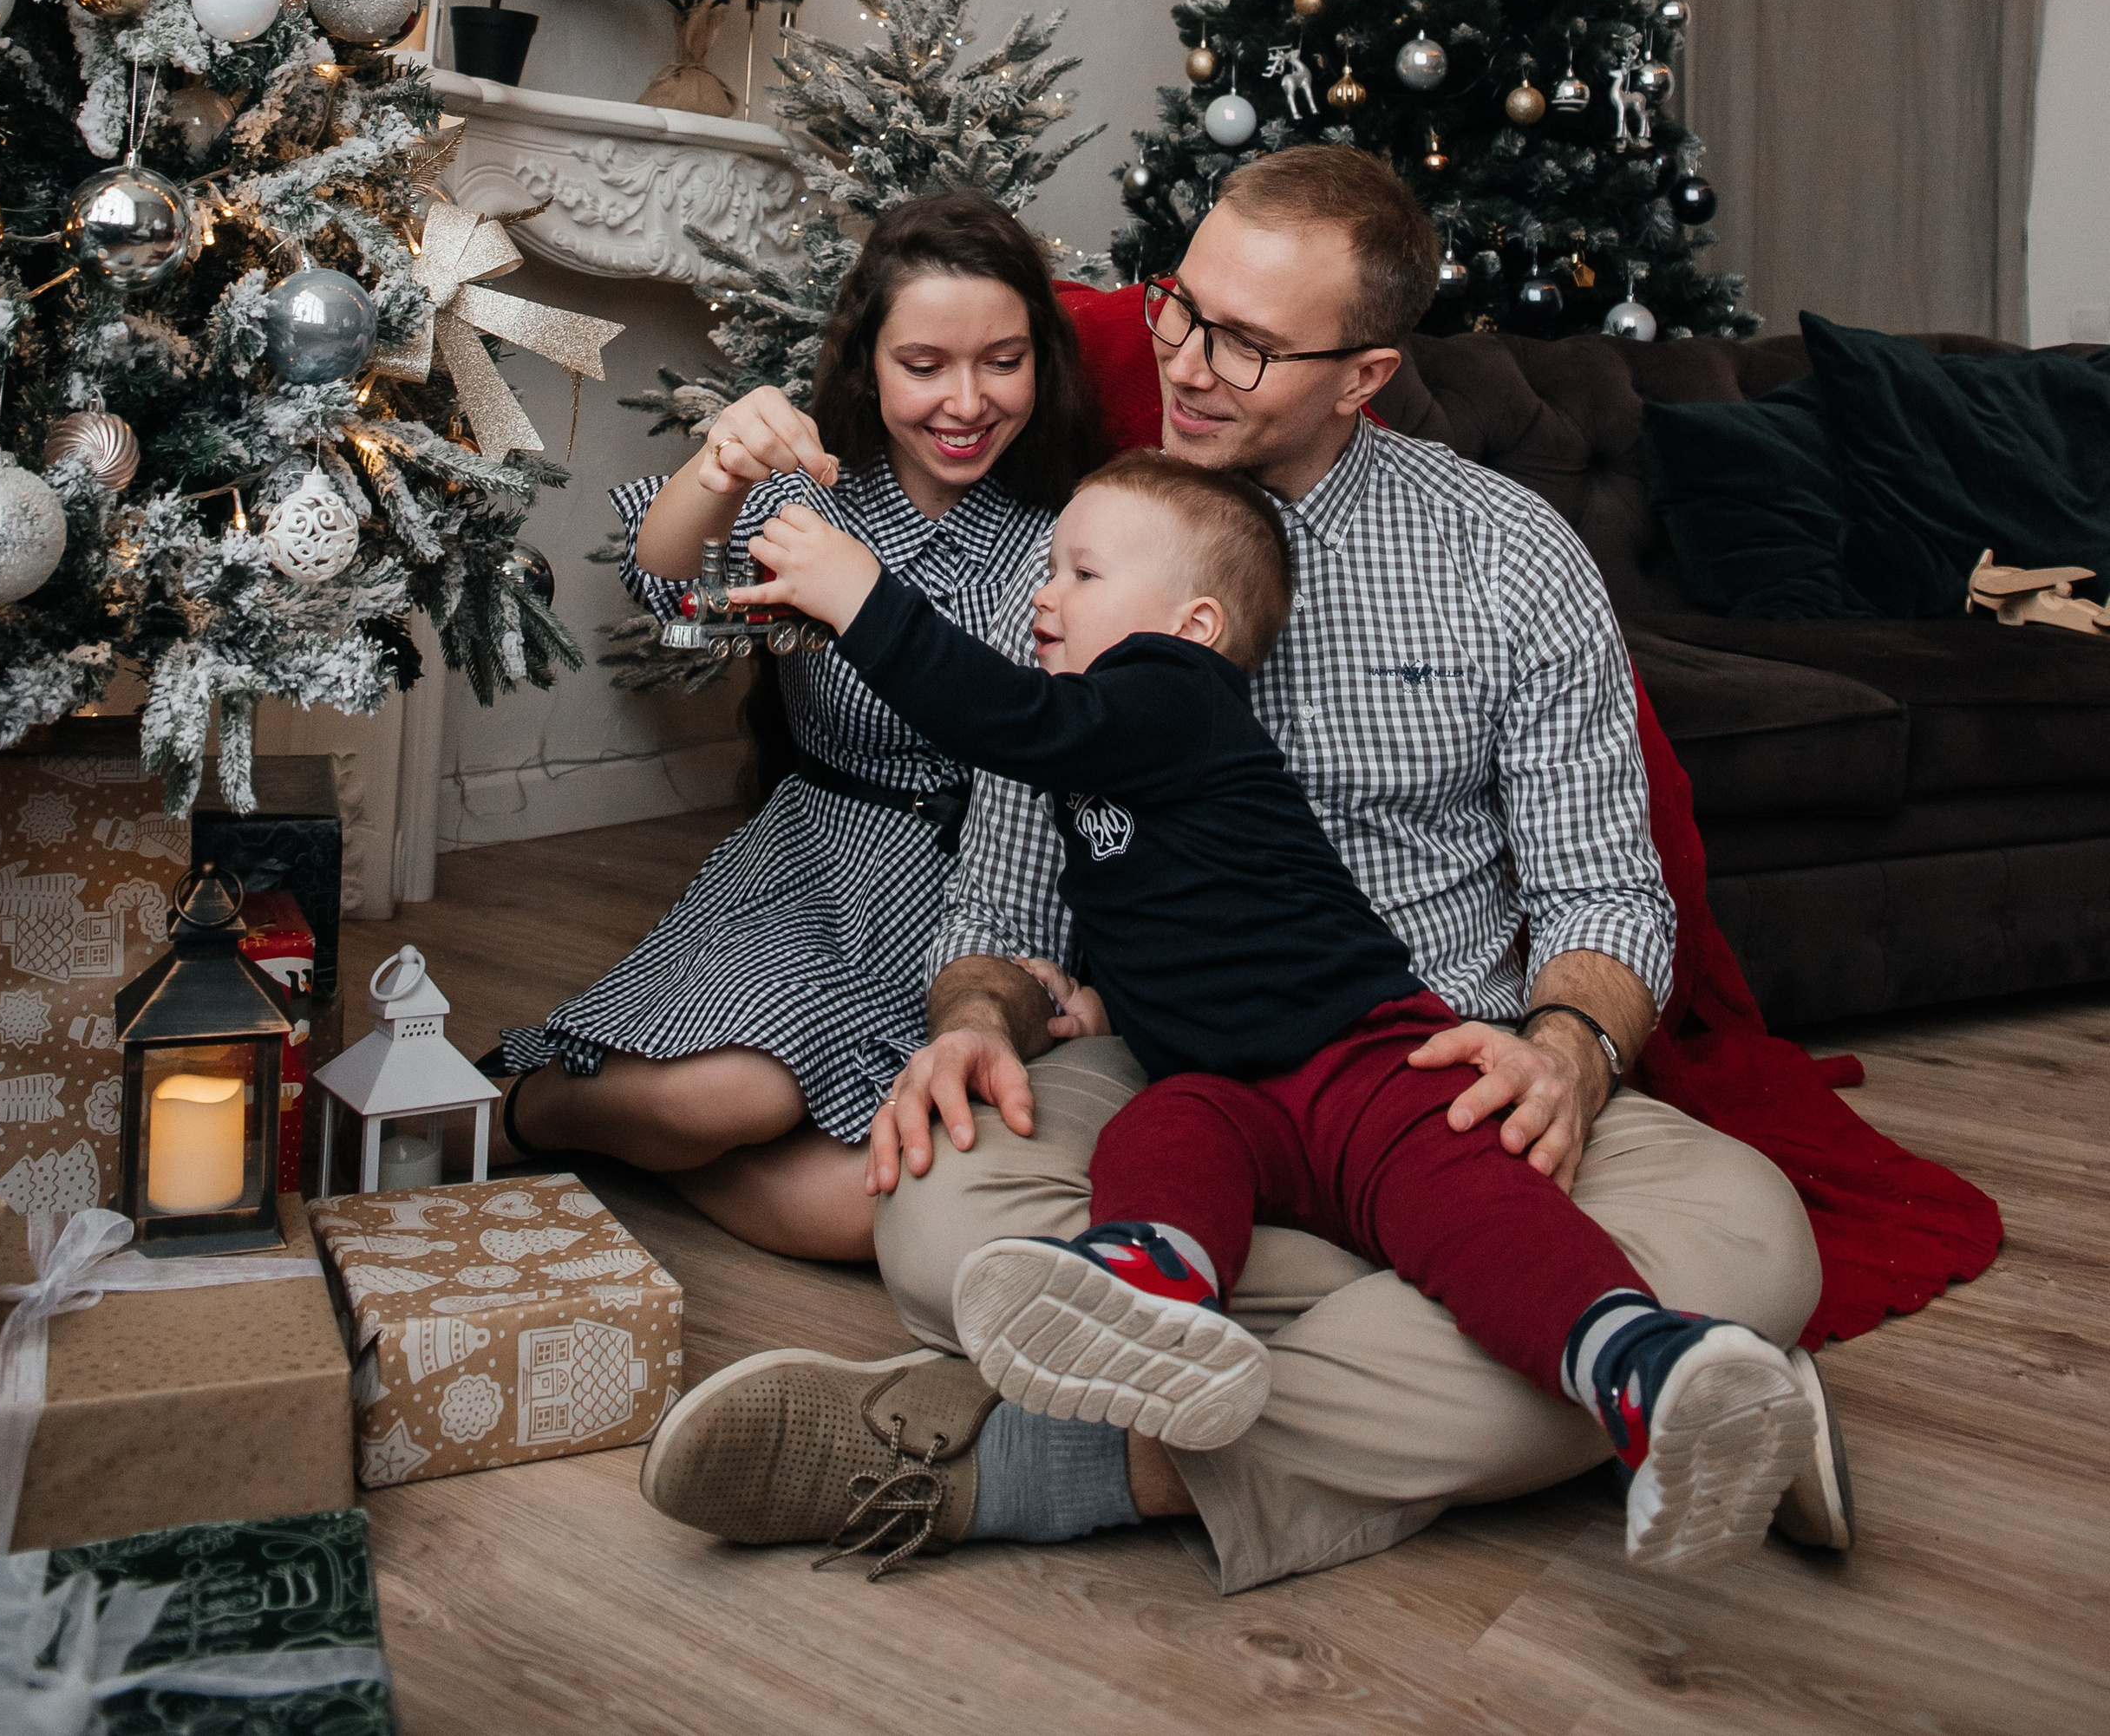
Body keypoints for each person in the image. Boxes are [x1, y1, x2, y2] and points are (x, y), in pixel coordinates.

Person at [639, 146, 1839, 1589]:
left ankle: (1047, 1455)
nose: (1188, 363)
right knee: (941, 1222)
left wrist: (1569, 1052)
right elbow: (1004, 902)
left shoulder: (1503, 556)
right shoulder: (1095, 549)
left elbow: (1604, 891)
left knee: (1757, 1242)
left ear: (1365, 374)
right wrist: (972, 1022)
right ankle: (1612, 1364)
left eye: (1248, 344)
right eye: (1181, 309)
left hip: (1443, 1076)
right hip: (1184, 1081)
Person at [493, 189, 1102, 1260]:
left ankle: (645, 1152)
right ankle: (532, 1109)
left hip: (994, 895)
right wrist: (720, 466)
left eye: (1002, 361)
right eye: (925, 364)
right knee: (731, 1094)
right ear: (868, 364)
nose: (966, 400)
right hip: (824, 872)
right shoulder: (813, 504)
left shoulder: (1069, 535)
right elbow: (675, 598)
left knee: (876, 1207)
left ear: (1041, 364)